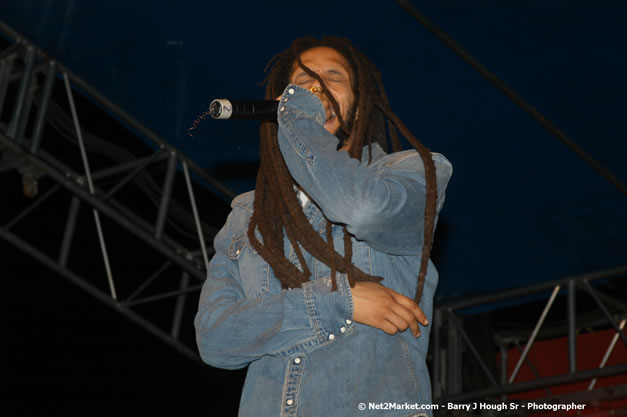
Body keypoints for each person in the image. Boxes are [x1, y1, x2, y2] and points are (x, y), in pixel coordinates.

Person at [194, 36, 452, 417]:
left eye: (334, 77)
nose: (315, 87)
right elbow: (216, 339)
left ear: (361, 105)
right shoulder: (247, 217)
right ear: (280, 105)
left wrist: (299, 116)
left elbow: (360, 208)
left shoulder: (414, 172)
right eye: (302, 80)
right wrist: (339, 303)